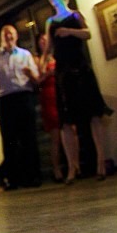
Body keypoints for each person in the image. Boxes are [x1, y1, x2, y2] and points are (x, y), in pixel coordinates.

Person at [43, 0, 111, 183]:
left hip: (81, 70)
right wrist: (42, 62)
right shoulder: (50, 21)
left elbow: (88, 33)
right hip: (63, 74)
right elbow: (48, 46)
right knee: (65, 121)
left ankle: (100, 163)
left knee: (94, 116)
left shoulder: (75, 15)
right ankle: (72, 168)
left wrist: (69, 32)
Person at [0, 25, 42, 190]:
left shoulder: (25, 55)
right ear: (1, 37)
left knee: (29, 137)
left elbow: (37, 80)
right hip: (6, 100)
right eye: (5, 34)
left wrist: (31, 75)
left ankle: (32, 177)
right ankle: (12, 179)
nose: (8, 37)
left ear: (16, 36)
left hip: (24, 97)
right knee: (9, 141)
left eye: (11, 34)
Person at [35, 33, 65, 183]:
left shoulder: (58, 55)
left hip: (61, 93)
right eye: (41, 40)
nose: (44, 41)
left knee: (70, 129)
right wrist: (47, 73)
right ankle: (56, 169)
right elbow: (36, 80)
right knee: (55, 137)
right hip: (48, 95)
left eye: (46, 39)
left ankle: (75, 166)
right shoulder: (38, 60)